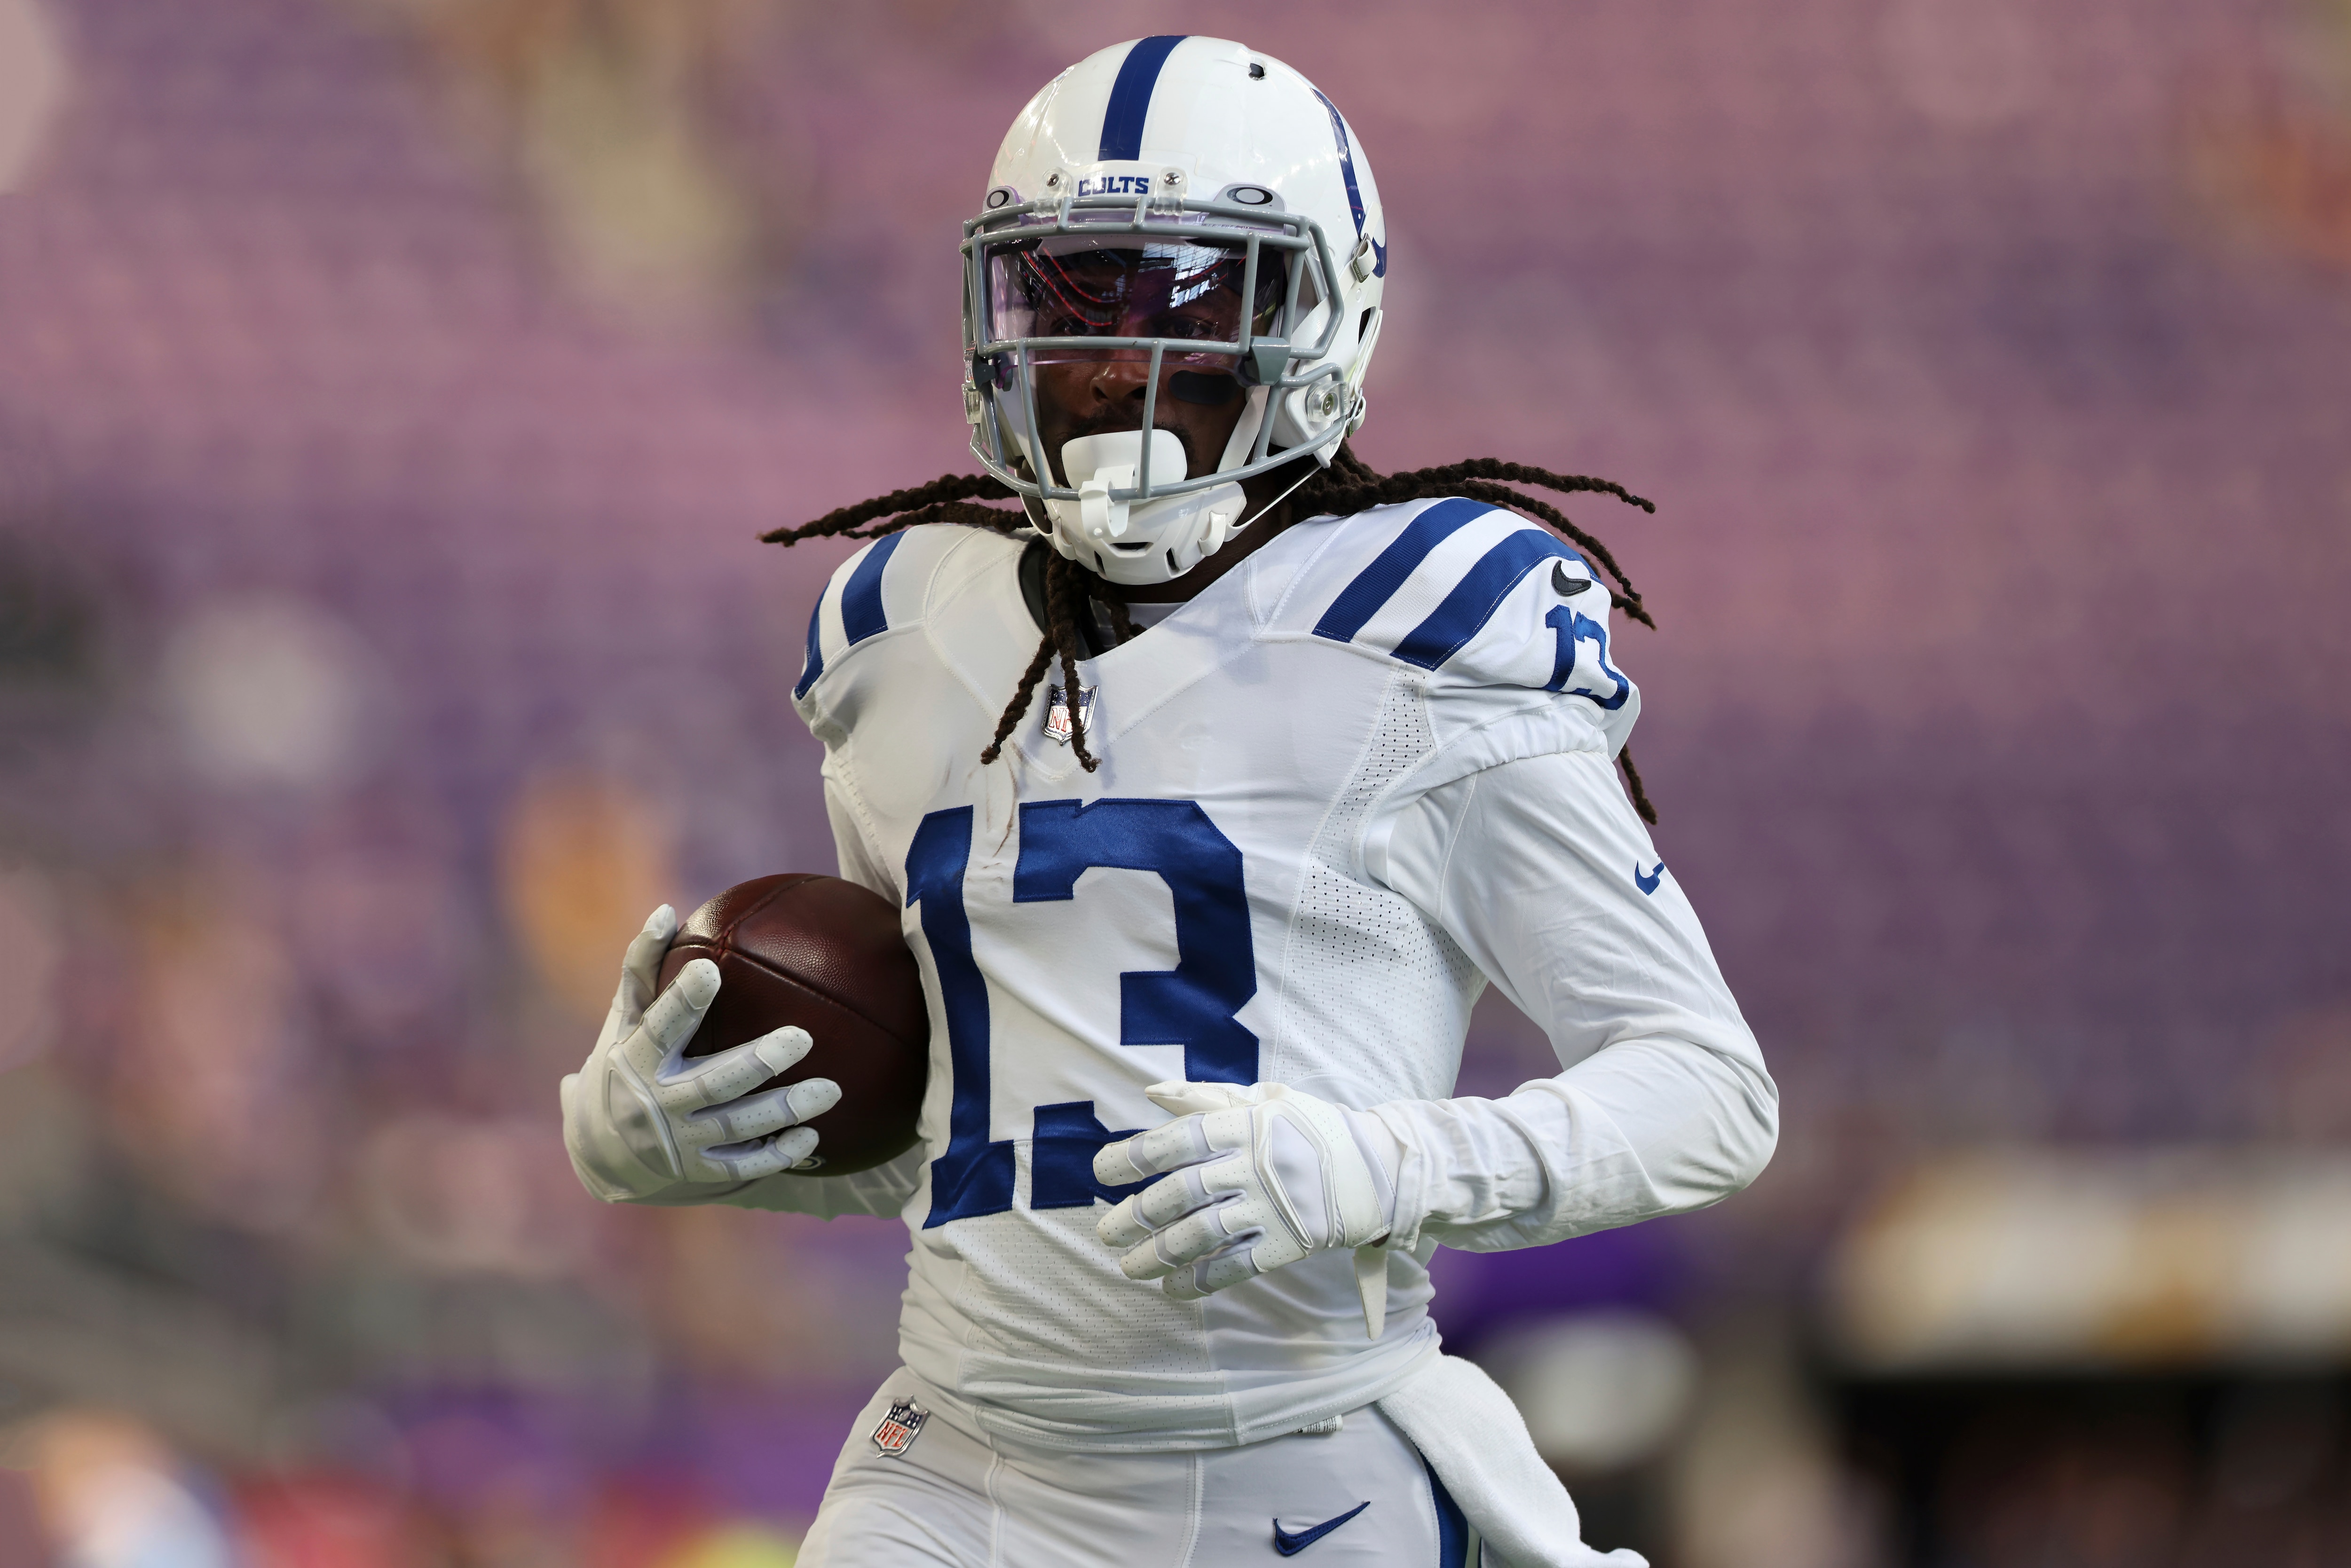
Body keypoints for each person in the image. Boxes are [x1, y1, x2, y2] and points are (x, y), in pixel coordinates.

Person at [561, 36, 1776, 1568]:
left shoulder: (1423, 631)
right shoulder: (908, 639)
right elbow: (981, 1132)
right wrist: (693, 1133)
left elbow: (1710, 1092)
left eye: (1181, 306)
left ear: (1323, 320)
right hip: (958, 1472)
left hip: (1306, 1464)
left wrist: (1385, 1164)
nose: (1109, 370)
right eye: (1065, 307)